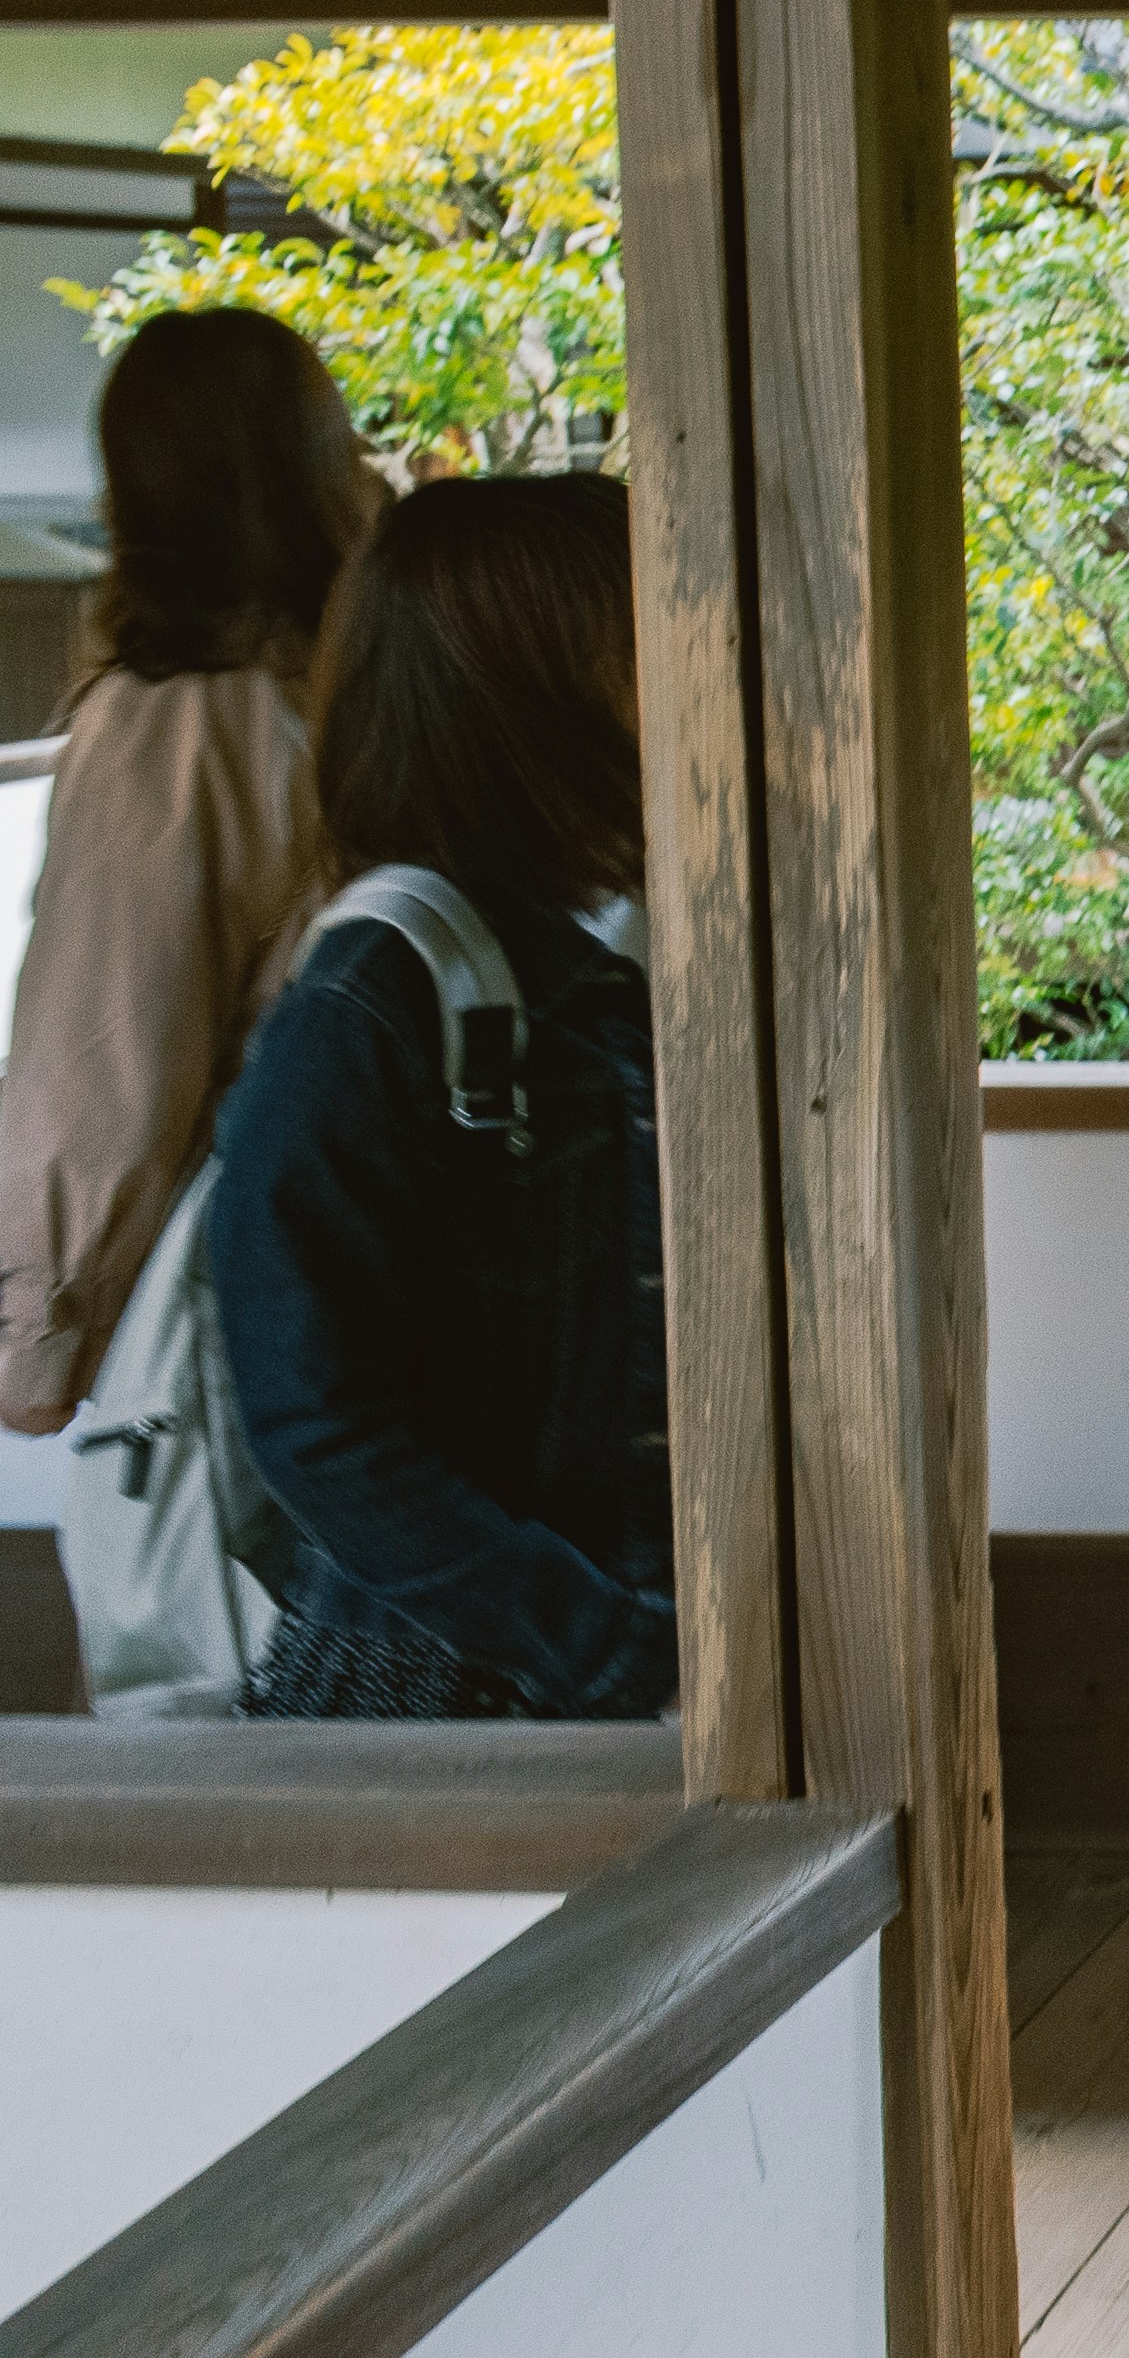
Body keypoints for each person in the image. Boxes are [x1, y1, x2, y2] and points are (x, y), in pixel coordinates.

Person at [213, 474, 673, 1721]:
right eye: (651, 645)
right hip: (431, 1693)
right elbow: (314, 1423)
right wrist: (599, 1644)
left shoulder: (587, 970)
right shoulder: (377, 1002)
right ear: (531, 691)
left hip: (587, 1668)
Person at [0, 310, 381, 1709]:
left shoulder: (170, 725)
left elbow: (104, 1059)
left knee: (222, 1705)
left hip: (244, 1284)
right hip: (409, 1256)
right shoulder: (372, 687)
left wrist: (37, 1332)